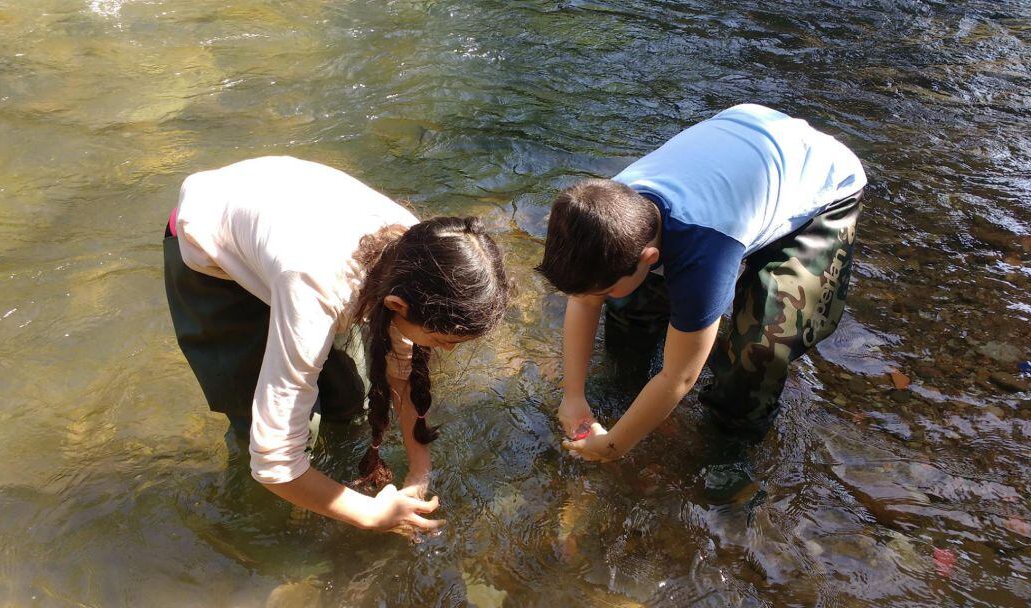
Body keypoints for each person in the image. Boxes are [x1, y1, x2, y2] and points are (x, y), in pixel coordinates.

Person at [163, 156, 509, 533]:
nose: (447, 351)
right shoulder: (315, 291)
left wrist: (419, 472)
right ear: (395, 305)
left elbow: (403, 371)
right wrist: (370, 515)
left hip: (287, 228)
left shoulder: (429, 254)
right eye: (444, 340)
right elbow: (273, 463)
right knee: (275, 429)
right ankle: (266, 527)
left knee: (350, 399)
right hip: (211, 245)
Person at [535, 104, 867, 460]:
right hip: (744, 143)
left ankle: (730, 447)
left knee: (760, 347)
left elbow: (679, 377)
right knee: (628, 304)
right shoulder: (603, 211)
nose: (591, 298)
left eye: (599, 290)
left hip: (821, 188)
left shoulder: (703, 251)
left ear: (649, 257)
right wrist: (573, 396)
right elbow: (585, 298)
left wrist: (614, 446)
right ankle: (626, 378)